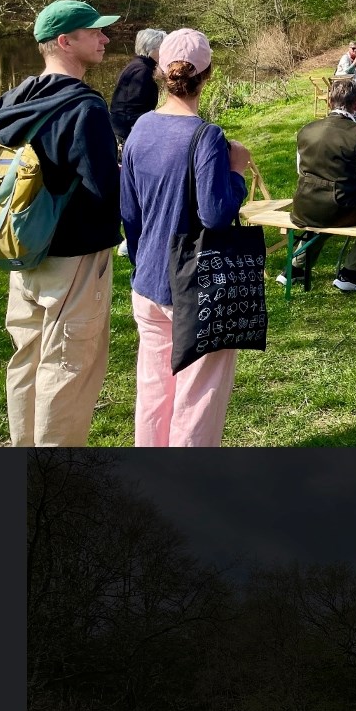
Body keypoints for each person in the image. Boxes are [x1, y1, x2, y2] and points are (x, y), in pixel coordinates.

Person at [0, 0, 122, 448]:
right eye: (95, 32)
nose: (105, 39)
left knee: (26, 361)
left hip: (23, 252)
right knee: (67, 369)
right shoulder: (84, 108)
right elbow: (106, 192)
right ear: (65, 41)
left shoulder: (15, 99)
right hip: (74, 261)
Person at [120, 29, 251, 446]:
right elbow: (216, 214)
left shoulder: (140, 127)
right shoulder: (206, 136)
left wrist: (143, 262)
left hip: (148, 282)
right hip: (195, 287)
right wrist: (236, 173)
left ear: (160, 71)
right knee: (196, 399)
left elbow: (128, 210)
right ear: (208, 74)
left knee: (154, 392)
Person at [291, 74, 356, 294]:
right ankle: (350, 273)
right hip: (339, 208)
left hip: (304, 206)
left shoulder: (306, 130)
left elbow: (300, 169)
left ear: (330, 102)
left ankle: (294, 268)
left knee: (322, 214)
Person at [109, 27, 166, 146]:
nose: (164, 52)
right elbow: (133, 109)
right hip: (126, 133)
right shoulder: (142, 71)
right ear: (152, 49)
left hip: (121, 129)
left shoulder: (136, 65)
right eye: (162, 48)